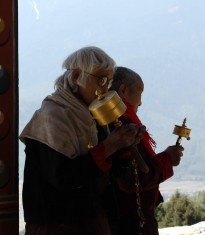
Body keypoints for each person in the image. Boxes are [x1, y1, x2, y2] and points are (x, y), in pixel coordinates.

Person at [19, 47, 145, 235]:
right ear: (77, 75)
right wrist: (109, 145)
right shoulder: (51, 117)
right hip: (56, 224)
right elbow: (63, 177)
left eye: (109, 82)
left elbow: (111, 172)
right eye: (101, 80)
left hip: (90, 219)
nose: (105, 89)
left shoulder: (93, 115)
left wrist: (124, 146)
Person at [107, 66, 185, 235]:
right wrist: (167, 160)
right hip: (132, 220)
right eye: (140, 92)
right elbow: (132, 178)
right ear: (123, 90)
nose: (141, 102)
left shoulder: (121, 121)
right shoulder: (121, 127)